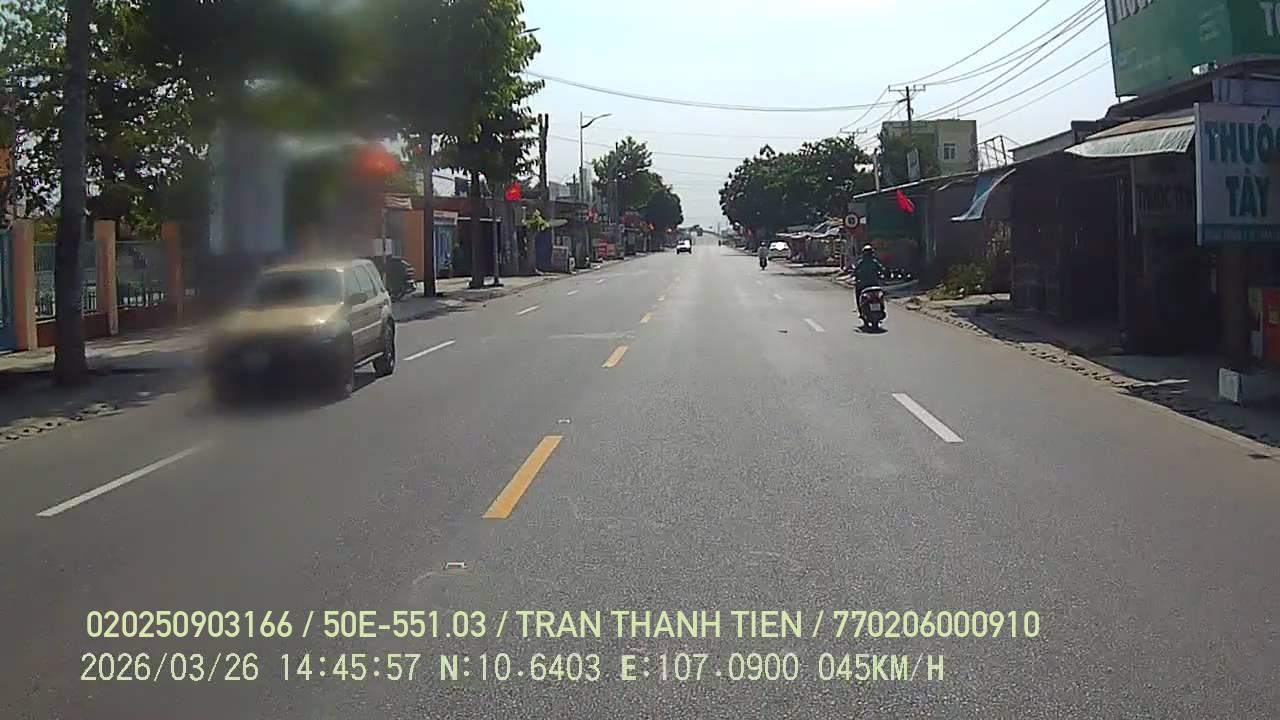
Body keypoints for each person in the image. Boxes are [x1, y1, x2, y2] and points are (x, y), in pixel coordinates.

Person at [853, 244, 885, 314]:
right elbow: (882, 270)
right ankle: (881, 307)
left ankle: (860, 310)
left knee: (858, 294)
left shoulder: (861, 262)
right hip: (874, 284)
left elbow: (855, 271)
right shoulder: (875, 262)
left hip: (863, 285)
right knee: (880, 294)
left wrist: (856, 276)